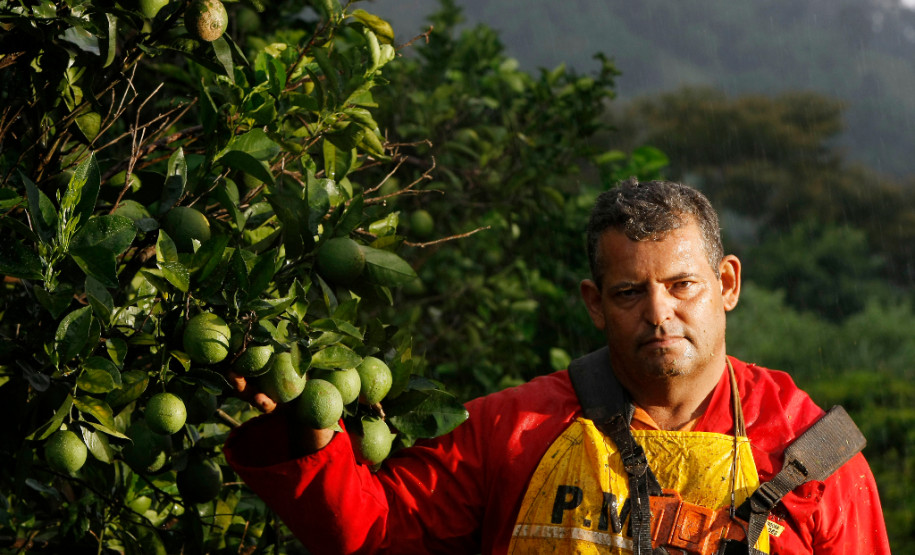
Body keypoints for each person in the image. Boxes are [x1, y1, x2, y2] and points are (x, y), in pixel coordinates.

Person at [224, 179, 890, 554]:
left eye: (682, 285)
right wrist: (310, 440)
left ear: (727, 283)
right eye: (630, 292)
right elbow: (376, 531)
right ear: (594, 304)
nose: (658, 314)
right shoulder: (512, 429)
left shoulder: (814, 457)